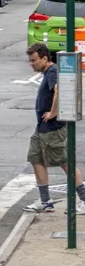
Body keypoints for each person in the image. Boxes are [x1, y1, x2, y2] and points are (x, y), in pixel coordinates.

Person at [24, 43, 85, 212]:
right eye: (30, 61)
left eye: (34, 60)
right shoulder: (47, 73)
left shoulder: (51, 72)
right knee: (36, 159)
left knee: (65, 163)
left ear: (45, 58)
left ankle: (84, 198)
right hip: (42, 128)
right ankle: (45, 201)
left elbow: (59, 91)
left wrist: (53, 112)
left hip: (52, 128)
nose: (31, 64)